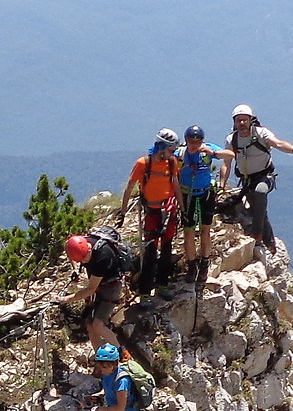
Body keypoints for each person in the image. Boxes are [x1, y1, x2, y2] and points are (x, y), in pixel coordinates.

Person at [226, 104, 293, 253]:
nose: (241, 123)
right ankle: (270, 243)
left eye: (244, 120)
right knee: (259, 210)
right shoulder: (232, 140)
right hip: (247, 179)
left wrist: (292, 150)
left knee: (260, 193)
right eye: (238, 120)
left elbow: (278, 143)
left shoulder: (261, 133)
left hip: (264, 176)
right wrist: (222, 184)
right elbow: (226, 163)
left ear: (250, 120)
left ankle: (256, 235)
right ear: (234, 122)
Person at [119, 129, 182, 293]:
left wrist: (183, 209)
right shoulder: (143, 164)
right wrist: (123, 212)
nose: (172, 153)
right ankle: (145, 291)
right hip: (152, 212)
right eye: (170, 150)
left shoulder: (172, 162)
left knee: (167, 249)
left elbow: (176, 186)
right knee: (151, 252)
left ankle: (162, 285)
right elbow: (129, 188)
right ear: (161, 147)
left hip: (168, 211)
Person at [63, 225, 137, 347]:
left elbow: (91, 289)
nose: (84, 261)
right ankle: (99, 357)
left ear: (88, 249)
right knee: (90, 325)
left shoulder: (102, 257)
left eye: (84, 259)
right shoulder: (82, 241)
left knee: (98, 325)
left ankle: (121, 353)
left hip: (111, 287)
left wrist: (66, 299)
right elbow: (68, 246)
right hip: (100, 283)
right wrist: (75, 269)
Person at [174, 125, 227, 281]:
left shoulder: (208, 150)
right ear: (186, 141)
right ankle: (191, 265)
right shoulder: (180, 154)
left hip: (206, 194)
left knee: (206, 230)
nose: (195, 144)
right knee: (188, 231)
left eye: (198, 141)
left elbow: (230, 155)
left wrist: (214, 153)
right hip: (187, 195)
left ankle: (204, 263)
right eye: (191, 141)